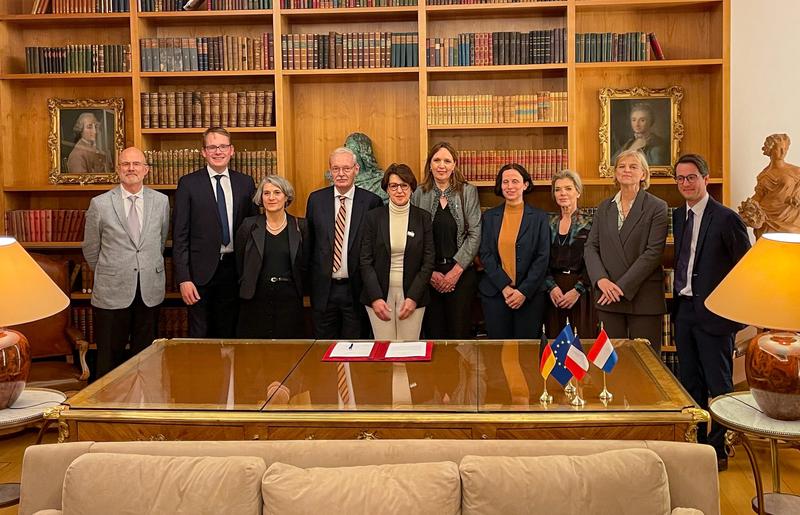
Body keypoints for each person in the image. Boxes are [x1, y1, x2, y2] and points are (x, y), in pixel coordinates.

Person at [672, 153, 751, 471]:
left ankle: (717, 451)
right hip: (685, 310)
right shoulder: (679, 216)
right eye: (680, 178)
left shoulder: (726, 217)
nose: (686, 184)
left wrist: (733, 313)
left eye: (691, 177)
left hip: (715, 315)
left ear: (705, 179)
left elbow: (744, 266)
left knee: (718, 385)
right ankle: (698, 448)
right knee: (689, 381)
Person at [82, 147, 170, 378]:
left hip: (149, 289)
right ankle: (108, 407)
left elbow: (160, 241)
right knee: (109, 356)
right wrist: (111, 271)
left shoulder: (161, 202)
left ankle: (145, 408)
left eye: (136, 164)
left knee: (147, 356)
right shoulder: (100, 204)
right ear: (118, 169)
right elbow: (91, 248)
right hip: (112, 291)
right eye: (125, 164)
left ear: (146, 170)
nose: (131, 168)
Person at [172, 127, 257, 338]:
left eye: (222, 146)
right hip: (199, 275)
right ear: (203, 152)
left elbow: (254, 230)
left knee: (230, 335)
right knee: (200, 336)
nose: (218, 152)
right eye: (212, 147)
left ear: (231, 150)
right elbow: (180, 235)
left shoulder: (245, 183)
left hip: (235, 271)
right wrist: (184, 278)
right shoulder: (188, 184)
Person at [584, 149, 668, 353]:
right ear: (615, 173)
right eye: (621, 166)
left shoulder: (657, 207)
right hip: (607, 297)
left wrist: (619, 288)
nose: (626, 170)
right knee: (612, 364)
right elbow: (590, 247)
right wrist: (601, 281)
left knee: (647, 362)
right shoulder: (604, 208)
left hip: (643, 297)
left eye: (633, 166)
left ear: (644, 174)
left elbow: (653, 253)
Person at [306, 147, 382, 339]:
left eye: (346, 168)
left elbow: (375, 250)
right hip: (324, 290)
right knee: (323, 349)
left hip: (356, 289)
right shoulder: (316, 200)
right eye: (336, 169)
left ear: (356, 169)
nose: (341, 174)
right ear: (330, 171)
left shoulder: (372, 201)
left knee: (355, 350)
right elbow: (310, 245)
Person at [411, 142, 481, 339]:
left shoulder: (468, 192)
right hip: (428, 275)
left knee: (460, 334)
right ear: (430, 164)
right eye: (437, 160)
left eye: (447, 161)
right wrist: (430, 273)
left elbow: (475, 233)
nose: (442, 165)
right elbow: (414, 237)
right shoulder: (419, 193)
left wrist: (455, 272)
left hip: (461, 274)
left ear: (454, 165)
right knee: (434, 334)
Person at [360, 163, 434, 340]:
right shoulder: (373, 217)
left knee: (407, 352)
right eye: (394, 186)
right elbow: (365, 260)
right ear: (387, 189)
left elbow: (429, 260)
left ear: (411, 189)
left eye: (404, 185)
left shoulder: (423, 218)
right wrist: (376, 297)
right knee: (384, 351)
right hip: (379, 295)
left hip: (412, 296)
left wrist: (413, 297)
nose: (399, 190)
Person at [479, 163, 549, 339]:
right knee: (498, 352)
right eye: (505, 182)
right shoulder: (489, 217)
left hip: (530, 296)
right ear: (500, 185)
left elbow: (543, 257)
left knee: (527, 355)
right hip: (496, 294)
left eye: (515, 181)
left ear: (525, 185)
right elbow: (485, 254)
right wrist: (504, 286)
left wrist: (523, 291)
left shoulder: (540, 217)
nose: (510, 186)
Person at [235, 176, 308, 339]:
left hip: (289, 301)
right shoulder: (248, 226)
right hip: (255, 300)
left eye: (277, 192)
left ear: (286, 197)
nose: (271, 197)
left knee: (288, 354)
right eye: (266, 193)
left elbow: (306, 264)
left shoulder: (301, 226)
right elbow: (239, 264)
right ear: (260, 198)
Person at [543, 169, 597, 338]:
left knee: (580, 344)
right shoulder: (547, 222)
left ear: (578, 192)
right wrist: (551, 287)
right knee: (555, 343)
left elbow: (596, 260)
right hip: (553, 291)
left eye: (568, 188)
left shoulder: (591, 223)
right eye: (558, 189)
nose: (562, 193)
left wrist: (578, 290)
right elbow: (540, 258)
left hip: (582, 289)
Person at [738, 133, 800, 238]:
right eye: (778, 149)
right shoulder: (763, 176)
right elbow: (758, 196)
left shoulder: (796, 171)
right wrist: (748, 209)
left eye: (785, 149)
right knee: (768, 247)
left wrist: (796, 197)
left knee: (791, 239)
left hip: (789, 218)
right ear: (770, 150)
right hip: (767, 218)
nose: (783, 152)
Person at [613, 102, 669, 167]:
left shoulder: (657, 145)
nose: (637, 124)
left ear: (650, 121)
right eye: (634, 120)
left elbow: (656, 167)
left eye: (642, 120)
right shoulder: (629, 143)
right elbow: (613, 163)